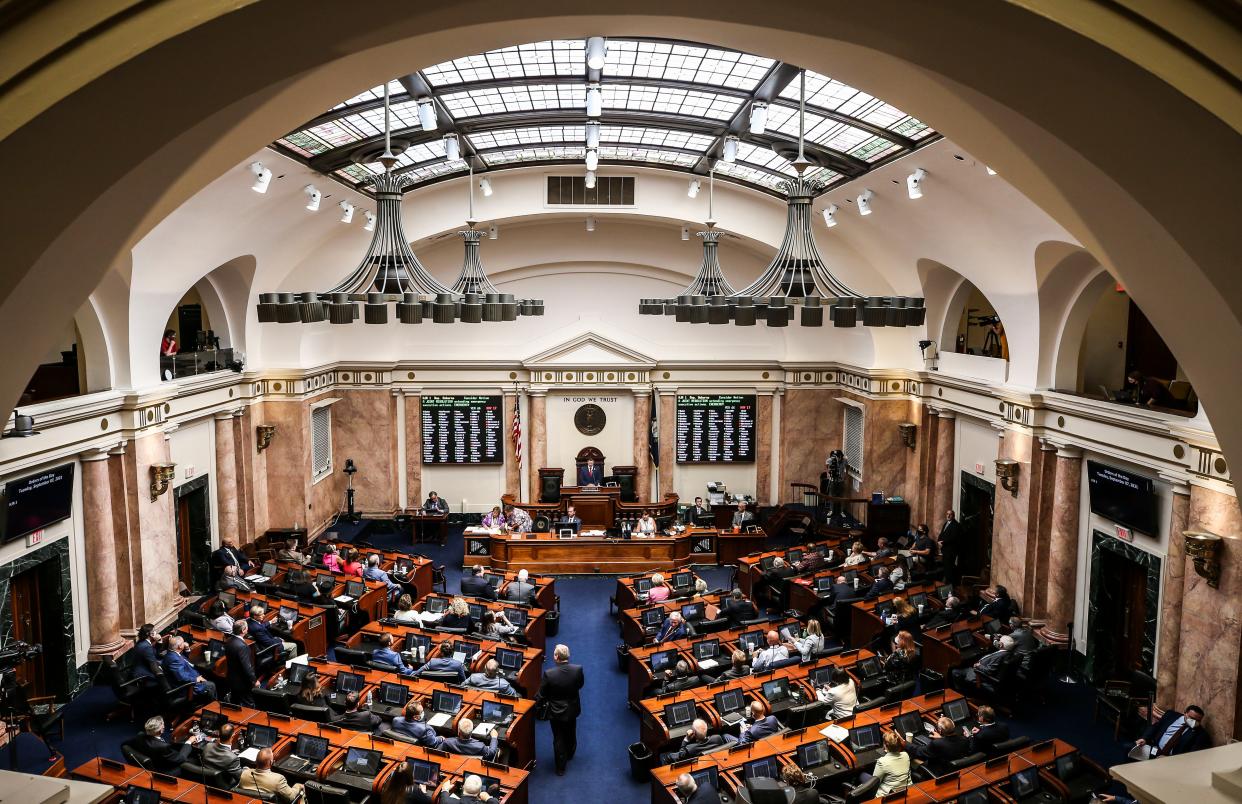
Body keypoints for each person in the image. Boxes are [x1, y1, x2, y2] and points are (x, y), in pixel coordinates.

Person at [536, 643, 584, 775]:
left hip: (555, 711)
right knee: (571, 731)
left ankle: (560, 767)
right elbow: (580, 685)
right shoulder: (577, 669)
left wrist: (537, 705)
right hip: (572, 708)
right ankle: (570, 753)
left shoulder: (549, 674)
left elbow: (542, 694)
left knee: (558, 738)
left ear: (556, 657)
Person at [1134, 705, 1209, 757]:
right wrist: (1144, 738)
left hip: (1170, 760)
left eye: (1198, 720)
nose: (1194, 722)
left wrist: (1169, 760)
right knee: (1127, 749)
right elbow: (1155, 727)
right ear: (1185, 713)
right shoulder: (1171, 715)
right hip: (1153, 749)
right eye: (1191, 718)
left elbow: (1191, 755)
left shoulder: (1201, 734)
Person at [132, 715, 198, 772]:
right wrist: (189, 742)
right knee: (193, 760)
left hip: (155, 757)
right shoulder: (163, 747)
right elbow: (181, 758)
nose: (164, 726)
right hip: (165, 770)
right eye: (163, 724)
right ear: (161, 730)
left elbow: (126, 744)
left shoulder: (140, 735)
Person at [238, 747, 304, 804]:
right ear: (271, 762)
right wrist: (298, 786)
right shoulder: (278, 779)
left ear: (256, 761)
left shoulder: (244, 773)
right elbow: (291, 797)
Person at [161, 635, 217, 702]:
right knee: (211, 685)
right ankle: (213, 706)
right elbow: (182, 677)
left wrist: (187, 648)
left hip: (191, 674)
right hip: (187, 687)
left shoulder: (173, 653)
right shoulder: (174, 660)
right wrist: (196, 679)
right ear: (180, 646)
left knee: (208, 674)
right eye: (183, 642)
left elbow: (185, 660)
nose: (184, 643)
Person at [952, 635, 1016, 692]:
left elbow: (989, 671)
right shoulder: (1008, 652)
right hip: (989, 669)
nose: (998, 642)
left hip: (979, 674)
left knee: (955, 671)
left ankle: (962, 692)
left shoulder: (999, 656)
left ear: (1001, 645)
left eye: (999, 641)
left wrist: (979, 666)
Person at [669, 718, 736, 761]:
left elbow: (681, 755)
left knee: (667, 756)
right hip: (714, 760)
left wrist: (686, 739)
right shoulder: (717, 738)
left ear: (693, 733)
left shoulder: (690, 748)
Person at [224, 620, 257, 706]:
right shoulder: (242, 646)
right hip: (242, 682)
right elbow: (246, 667)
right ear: (243, 630)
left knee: (234, 703)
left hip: (231, 678)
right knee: (249, 703)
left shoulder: (229, 641)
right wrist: (254, 680)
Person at [870, 731, 911, 796]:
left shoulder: (882, 762)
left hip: (889, 795)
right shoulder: (906, 755)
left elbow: (875, 783)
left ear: (885, 746)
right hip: (906, 791)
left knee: (862, 775)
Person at [201, 723, 243, 788]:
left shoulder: (208, 746)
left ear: (218, 734)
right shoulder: (233, 758)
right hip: (223, 786)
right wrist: (246, 769)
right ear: (232, 737)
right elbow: (239, 777)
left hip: (205, 781)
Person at [938, 510, 962, 585]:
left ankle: (949, 585)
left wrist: (943, 542)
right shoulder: (946, 523)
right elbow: (941, 534)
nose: (948, 516)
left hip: (951, 551)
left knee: (949, 568)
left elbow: (953, 538)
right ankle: (946, 583)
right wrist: (938, 541)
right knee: (946, 567)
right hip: (945, 550)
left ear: (953, 516)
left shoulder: (956, 525)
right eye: (947, 514)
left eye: (950, 514)